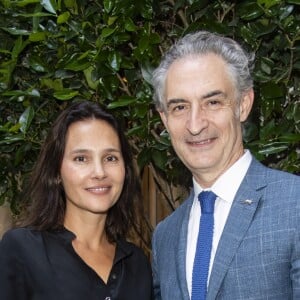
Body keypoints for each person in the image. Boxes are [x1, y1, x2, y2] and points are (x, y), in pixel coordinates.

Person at [151, 30, 300, 299]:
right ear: (164, 119)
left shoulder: (294, 205)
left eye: (213, 102)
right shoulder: (165, 236)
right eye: (180, 107)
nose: (195, 125)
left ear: (243, 105)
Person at [0, 101, 153, 300]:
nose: (99, 172)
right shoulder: (23, 249)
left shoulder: (137, 263)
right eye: (81, 158)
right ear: (56, 171)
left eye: (110, 158)